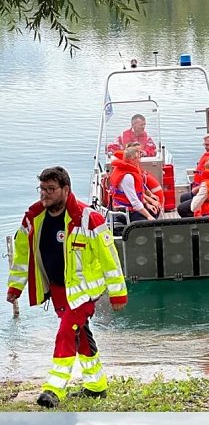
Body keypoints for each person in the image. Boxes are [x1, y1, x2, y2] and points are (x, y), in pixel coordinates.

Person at [6, 166, 127, 408]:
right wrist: (15, 287)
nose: (45, 195)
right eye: (42, 189)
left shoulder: (88, 218)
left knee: (65, 333)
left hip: (83, 292)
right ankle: (96, 386)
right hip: (57, 290)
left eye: (51, 189)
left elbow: (110, 258)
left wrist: (118, 293)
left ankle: (54, 388)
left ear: (66, 189)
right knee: (80, 335)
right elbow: (22, 254)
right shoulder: (32, 217)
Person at [108, 144, 157, 223]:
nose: (139, 160)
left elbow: (138, 195)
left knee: (155, 210)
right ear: (132, 160)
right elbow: (134, 202)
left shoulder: (120, 169)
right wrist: (149, 216)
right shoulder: (127, 177)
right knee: (151, 220)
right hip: (125, 212)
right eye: (138, 158)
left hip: (130, 207)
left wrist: (147, 204)